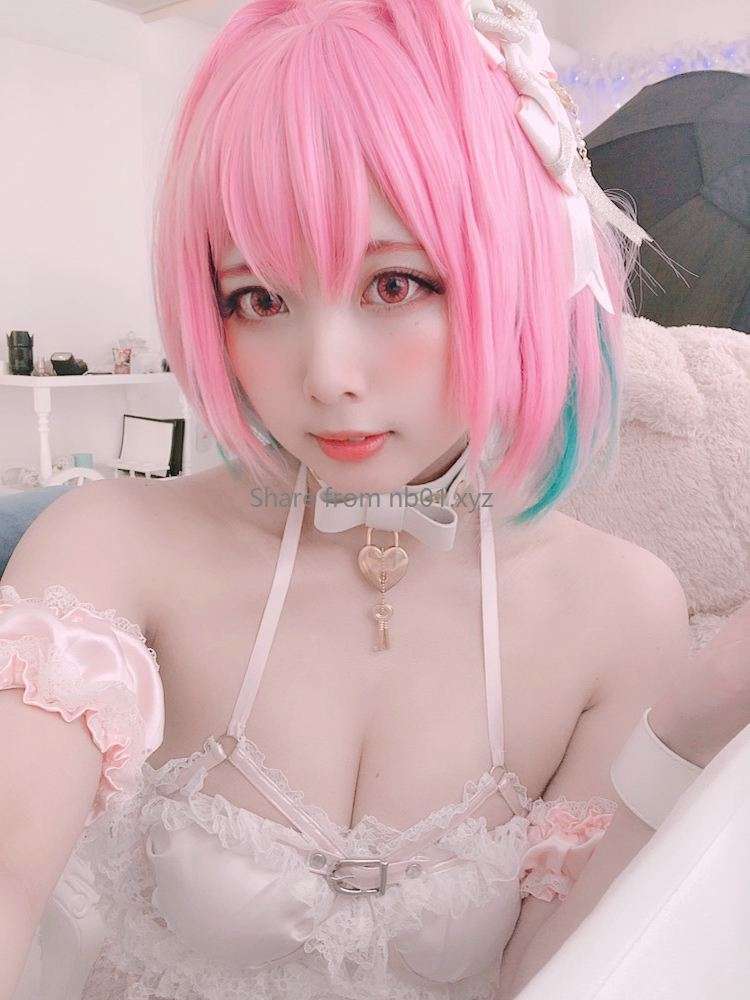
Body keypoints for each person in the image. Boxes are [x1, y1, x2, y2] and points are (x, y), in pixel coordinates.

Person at [1, 2, 748, 999]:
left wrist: (687, 728)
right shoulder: (110, 546)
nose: (325, 375)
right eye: (259, 299)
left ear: (520, 269)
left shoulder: (620, 607)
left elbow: (550, 973)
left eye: (394, 285)